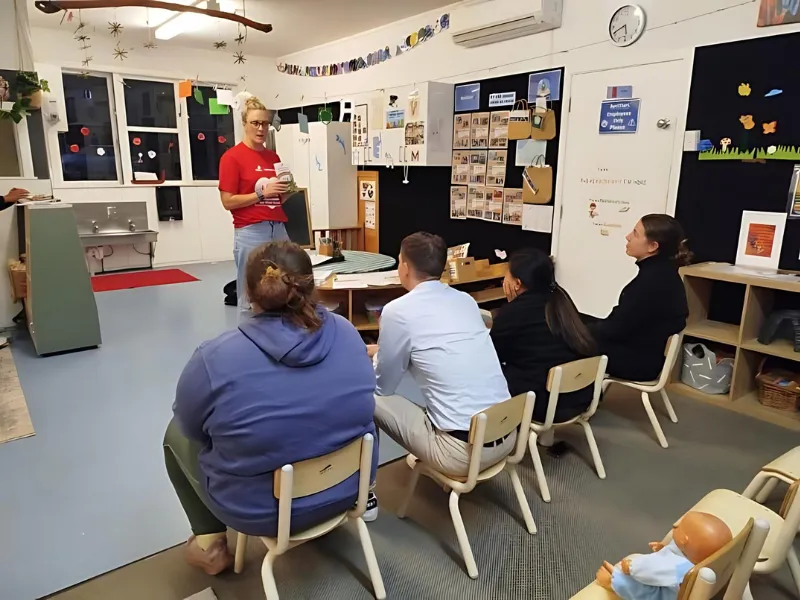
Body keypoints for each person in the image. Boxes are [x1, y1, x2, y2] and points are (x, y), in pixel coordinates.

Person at [165, 241, 379, 575]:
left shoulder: (214, 358)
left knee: (174, 434)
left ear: (249, 294)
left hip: (259, 510)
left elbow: (193, 430)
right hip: (349, 489)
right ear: (312, 285)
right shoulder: (349, 334)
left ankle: (210, 544)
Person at [371, 232, 515, 485]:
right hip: (507, 434)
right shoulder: (466, 301)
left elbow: (384, 385)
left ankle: (367, 490)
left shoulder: (397, 311)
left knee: (368, 394)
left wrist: (379, 355)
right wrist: (382, 349)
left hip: (462, 454)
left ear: (404, 266)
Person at [490, 248, 597, 424]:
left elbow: (492, 355)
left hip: (546, 404)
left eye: (505, 277)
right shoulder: (561, 299)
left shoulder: (514, 313)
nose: (503, 281)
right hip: (580, 396)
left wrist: (511, 307)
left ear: (517, 283)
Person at [589, 214, 691, 382]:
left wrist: (576, 332)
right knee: (572, 321)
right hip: (644, 351)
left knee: (564, 338)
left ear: (652, 246)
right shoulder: (664, 273)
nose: (627, 236)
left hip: (637, 361)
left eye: (635, 233)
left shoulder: (650, 282)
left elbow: (614, 330)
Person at [218, 95, 292, 311]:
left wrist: (286, 190)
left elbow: (277, 199)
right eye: (255, 123)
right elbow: (227, 201)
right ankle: (248, 340)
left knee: (284, 286)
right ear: (245, 124)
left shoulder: (273, 157)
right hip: (250, 231)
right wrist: (261, 194)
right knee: (249, 296)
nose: (261, 128)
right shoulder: (232, 158)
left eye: (265, 123)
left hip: (278, 228)